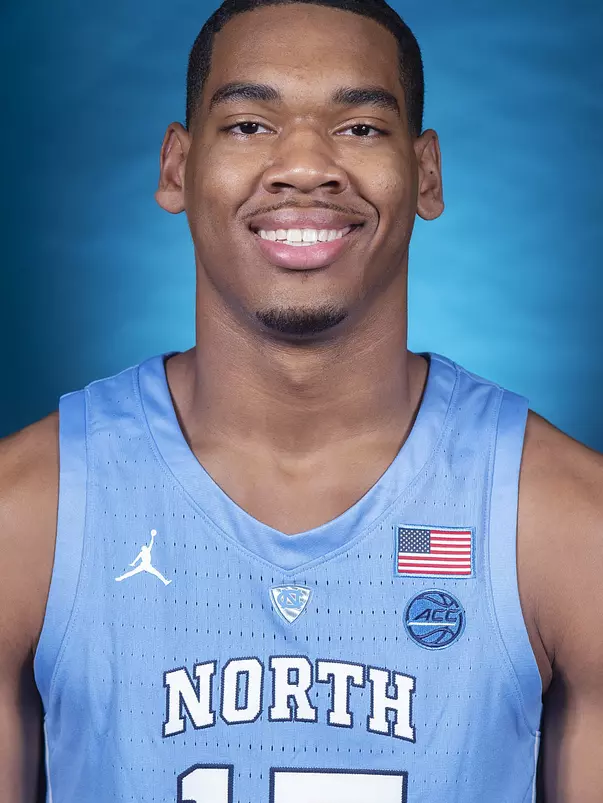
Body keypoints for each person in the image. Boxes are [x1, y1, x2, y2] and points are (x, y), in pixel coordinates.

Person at [1, 0, 601, 800]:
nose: (306, 165)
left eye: (360, 127)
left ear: (425, 173)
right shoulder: (26, 515)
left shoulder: (568, 526)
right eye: (250, 125)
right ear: (177, 167)